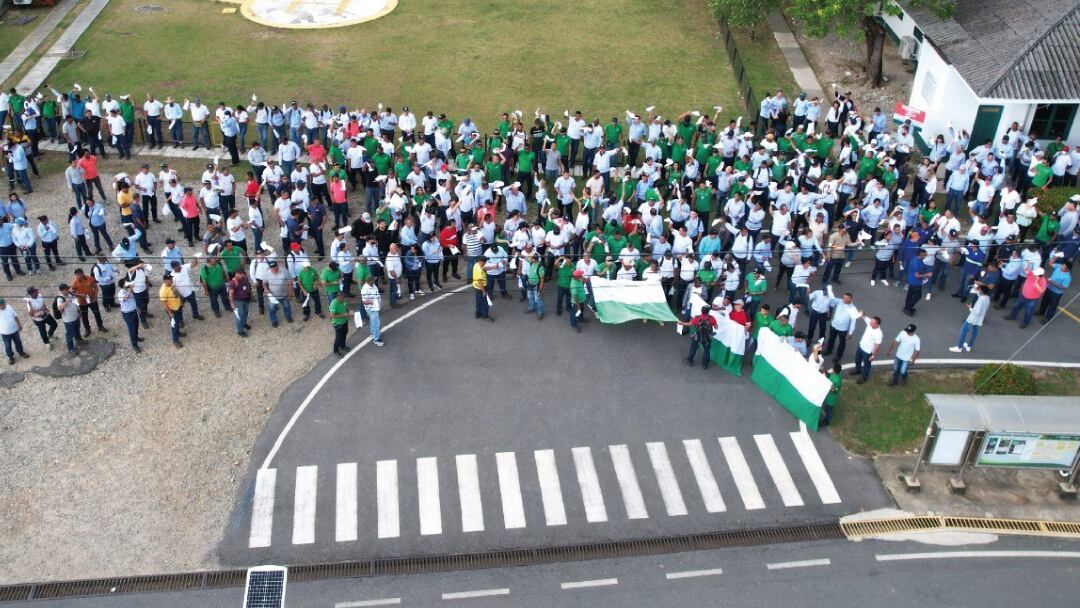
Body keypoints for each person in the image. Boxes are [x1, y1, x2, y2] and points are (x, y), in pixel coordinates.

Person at [950, 284, 990, 352]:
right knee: (974, 332)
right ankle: (969, 346)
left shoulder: (980, 300)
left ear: (982, 291)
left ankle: (959, 347)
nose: (978, 290)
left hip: (972, 319)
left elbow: (977, 312)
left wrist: (970, 308)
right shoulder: (987, 298)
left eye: (979, 289)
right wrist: (975, 287)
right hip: (979, 319)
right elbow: (979, 295)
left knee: (963, 331)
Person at [851, 314, 882, 385]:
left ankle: (864, 377)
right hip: (860, 347)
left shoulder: (879, 334)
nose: (870, 322)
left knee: (867, 365)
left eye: (872, 322)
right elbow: (864, 317)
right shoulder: (870, 324)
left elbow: (877, 346)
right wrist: (862, 313)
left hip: (868, 352)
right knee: (857, 359)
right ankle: (858, 370)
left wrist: (873, 356)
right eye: (871, 321)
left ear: (876, 325)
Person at [55, 283, 85, 353]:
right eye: (66, 289)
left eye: (68, 288)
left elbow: (75, 300)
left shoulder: (69, 294)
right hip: (68, 320)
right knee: (70, 334)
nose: (68, 290)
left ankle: (79, 339)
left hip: (75, 316)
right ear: (62, 290)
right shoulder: (60, 298)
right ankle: (70, 348)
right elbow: (59, 308)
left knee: (77, 329)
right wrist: (66, 302)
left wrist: (79, 311)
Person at [116, 278, 143, 353]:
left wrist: (137, 308)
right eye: (126, 283)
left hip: (133, 311)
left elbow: (133, 300)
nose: (128, 284)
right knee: (132, 328)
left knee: (136, 325)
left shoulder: (129, 291)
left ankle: (136, 337)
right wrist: (130, 289)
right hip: (127, 314)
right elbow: (125, 298)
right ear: (123, 286)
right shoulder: (120, 293)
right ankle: (134, 344)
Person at [0, 298, 30, 365]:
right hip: (5, 333)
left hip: (14, 330)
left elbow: (15, 316)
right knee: (7, 346)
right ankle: (10, 357)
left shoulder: (9, 307)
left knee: (18, 342)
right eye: (2, 304)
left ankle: (21, 352)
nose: (4, 305)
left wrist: (19, 324)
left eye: (4, 303)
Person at [159, 273, 185, 348]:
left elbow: (176, 293)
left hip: (178, 307)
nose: (172, 280)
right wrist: (170, 313)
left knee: (178, 322)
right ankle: (175, 340)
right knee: (174, 325)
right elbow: (164, 304)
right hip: (172, 310)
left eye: (171, 278)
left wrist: (181, 301)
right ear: (165, 281)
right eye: (170, 279)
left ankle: (178, 333)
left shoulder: (171, 285)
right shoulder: (163, 291)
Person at [359, 275, 384, 347]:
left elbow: (377, 295)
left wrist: (378, 304)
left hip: (375, 307)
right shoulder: (365, 289)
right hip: (371, 308)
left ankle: (373, 333)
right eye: (373, 280)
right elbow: (364, 301)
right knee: (375, 323)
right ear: (370, 281)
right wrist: (374, 302)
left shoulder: (373, 285)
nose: (375, 280)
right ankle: (376, 339)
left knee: (373, 322)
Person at [228, 267, 253, 337]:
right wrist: (232, 304)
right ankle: (240, 330)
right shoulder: (233, 282)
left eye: (242, 273)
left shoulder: (244, 278)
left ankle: (244, 323)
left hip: (246, 299)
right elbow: (230, 294)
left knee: (245, 313)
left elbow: (248, 286)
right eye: (240, 274)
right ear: (236, 274)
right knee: (240, 315)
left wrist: (251, 295)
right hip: (238, 301)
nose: (242, 275)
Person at [820, 360, 842, 427]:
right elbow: (829, 376)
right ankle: (826, 417)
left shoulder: (838, 379)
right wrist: (824, 370)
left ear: (835, 370)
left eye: (833, 368)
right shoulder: (834, 375)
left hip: (831, 398)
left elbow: (835, 391)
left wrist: (832, 388)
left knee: (829, 409)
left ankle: (827, 421)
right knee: (827, 408)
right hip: (828, 396)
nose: (832, 369)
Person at [329, 290, 350, 355]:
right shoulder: (334, 304)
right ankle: (336, 351)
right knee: (339, 337)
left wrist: (348, 311)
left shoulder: (343, 300)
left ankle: (342, 346)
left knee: (345, 333)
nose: (344, 299)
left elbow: (345, 307)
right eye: (343, 298)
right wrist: (343, 315)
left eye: (344, 298)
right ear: (339, 297)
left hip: (344, 321)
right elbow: (332, 316)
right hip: (337, 324)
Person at [472, 254, 491, 321]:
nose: (485, 262)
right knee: (485, 303)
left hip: (476, 286)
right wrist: (484, 291)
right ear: (481, 261)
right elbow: (480, 281)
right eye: (485, 261)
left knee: (478, 301)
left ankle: (478, 313)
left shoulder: (477, 265)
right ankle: (486, 315)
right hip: (481, 287)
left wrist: (492, 267)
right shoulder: (479, 270)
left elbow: (484, 268)